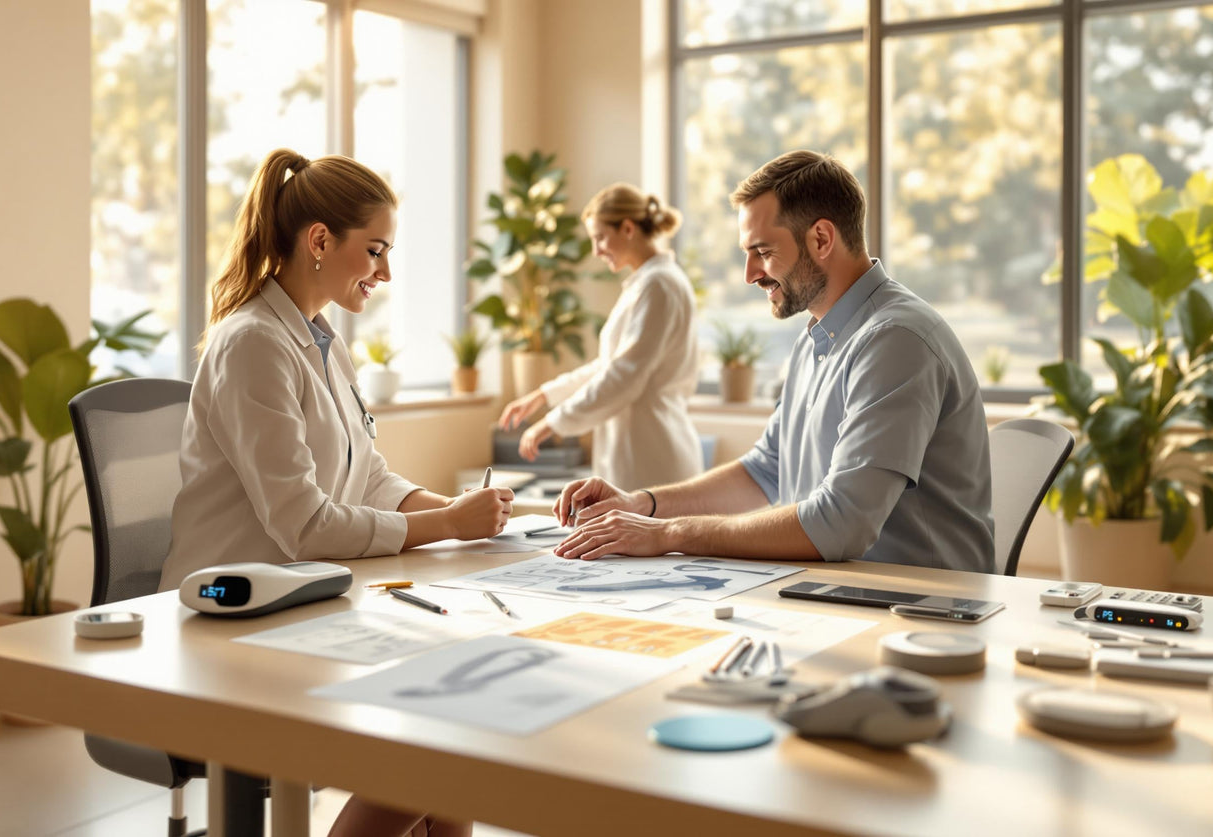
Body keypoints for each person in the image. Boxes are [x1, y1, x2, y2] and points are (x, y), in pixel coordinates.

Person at [162, 148, 508, 837]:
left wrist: (456, 513)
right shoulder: (253, 344)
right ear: (319, 240)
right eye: (375, 250)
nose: (385, 272)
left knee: (460, 712)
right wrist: (446, 527)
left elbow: (370, 476)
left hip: (307, 601)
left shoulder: (322, 340)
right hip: (240, 625)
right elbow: (306, 525)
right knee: (436, 741)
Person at [550, 150, 994, 574]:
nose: (750, 274)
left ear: (821, 238)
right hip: (840, 589)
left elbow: (840, 524)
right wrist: (640, 505)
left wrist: (668, 533)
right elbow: (765, 470)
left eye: (762, 251)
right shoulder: (817, 338)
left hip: (917, 609)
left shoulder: (895, 340)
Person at [498, 185, 703, 491]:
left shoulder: (658, 285)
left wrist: (554, 422)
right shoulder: (647, 283)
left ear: (628, 228)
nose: (596, 250)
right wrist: (544, 395)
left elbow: (624, 376)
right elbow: (610, 366)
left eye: (600, 237)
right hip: (637, 456)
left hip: (653, 462)